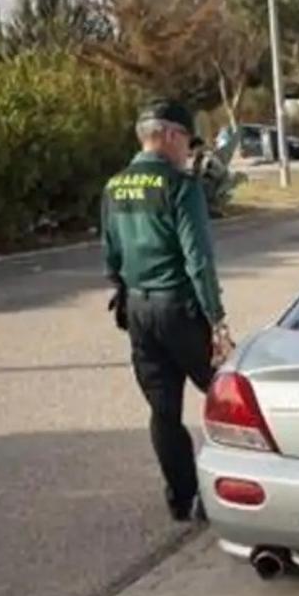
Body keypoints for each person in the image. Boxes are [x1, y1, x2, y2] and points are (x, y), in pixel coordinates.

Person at [103, 99, 233, 522]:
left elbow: (111, 254)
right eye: (187, 144)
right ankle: (239, 489)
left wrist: (125, 293)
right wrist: (216, 319)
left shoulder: (114, 186)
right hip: (179, 307)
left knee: (163, 410)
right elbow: (198, 260)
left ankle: (182, 500)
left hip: (138, 308)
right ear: (171, 135)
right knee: (226, 396)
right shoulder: (180, 187)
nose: (189, 154)